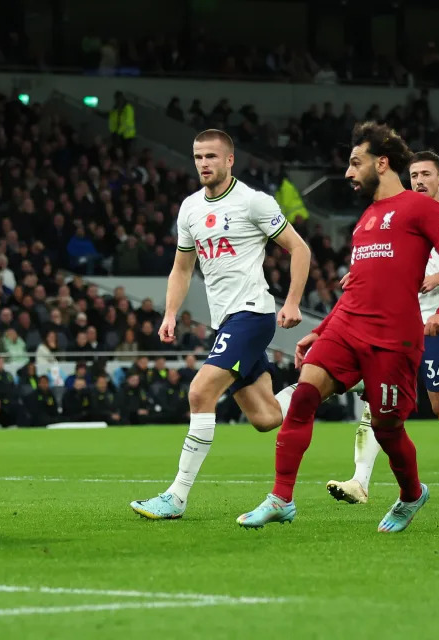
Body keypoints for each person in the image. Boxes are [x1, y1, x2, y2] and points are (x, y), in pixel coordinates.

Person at [238, 122, 439, 531]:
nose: (348, 172)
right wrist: (323, 327)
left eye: (354, 162)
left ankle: (412, 494)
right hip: (347, 327)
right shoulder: (366, 218)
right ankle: (281, 498)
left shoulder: (422, 208)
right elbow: (359, 284)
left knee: (386, 428)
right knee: (305, 394)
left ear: (381, 163)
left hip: (393, 338)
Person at [129, 129, 312, 520]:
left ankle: (176, 497)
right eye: (198, 157)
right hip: (225, 319)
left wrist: (293, 301)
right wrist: (170, 313)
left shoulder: (253, 203)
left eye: (211, 156)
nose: (204, 164)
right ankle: (325, 382)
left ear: (230, 160)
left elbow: (300, 248)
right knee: (265, 418)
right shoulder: (190, 208)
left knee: (199, 392)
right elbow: (182, 267)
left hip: (252, 314)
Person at [325, 150, 439, 507]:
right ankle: (360, 481)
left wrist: (437, 277)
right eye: (414, 174)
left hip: (436, 322)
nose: (418, 180)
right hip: (391, 322)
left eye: (425, 174)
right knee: (376, 401)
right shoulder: (397, 213)